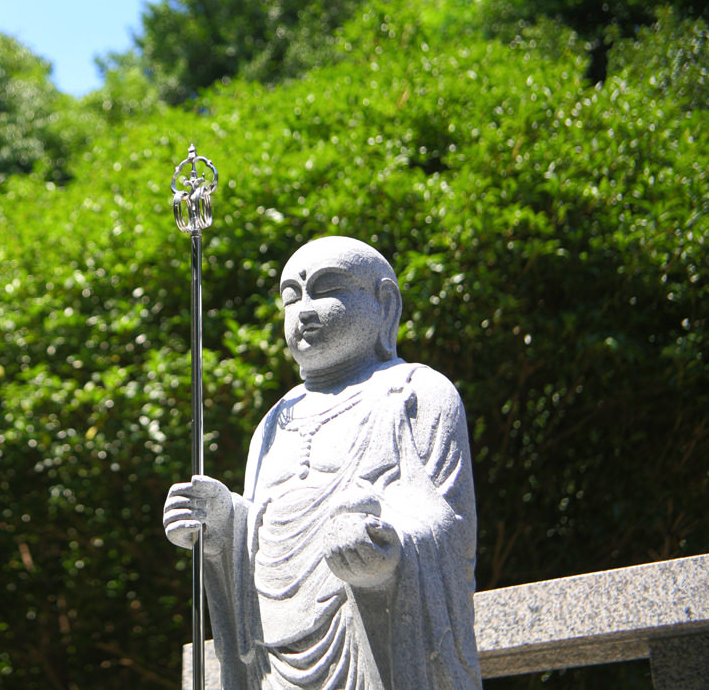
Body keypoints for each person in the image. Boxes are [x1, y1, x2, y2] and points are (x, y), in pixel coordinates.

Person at [163, 236, 480, 689]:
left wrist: (384, 547)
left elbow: (447, 521)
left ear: (385, 304)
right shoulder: (275, 421)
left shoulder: (415, 393)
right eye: (291, 296)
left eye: (328, 289)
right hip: (275, 654)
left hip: (371, 641)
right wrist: (224, 524)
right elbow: (263, 527)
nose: (304, 311)